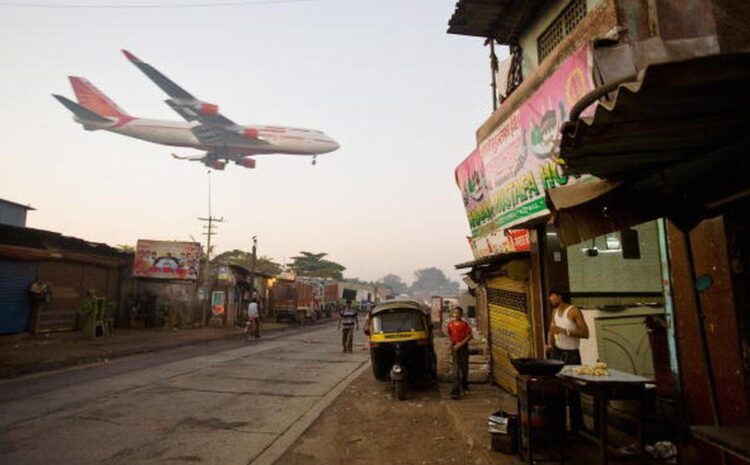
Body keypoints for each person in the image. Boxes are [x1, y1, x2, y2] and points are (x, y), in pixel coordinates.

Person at [546, 289, 589, 431]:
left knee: (573, 393)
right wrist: (549, 343)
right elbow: (551, 329)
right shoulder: (554, 312)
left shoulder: (573, 311)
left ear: (560, 296)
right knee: (557, 391)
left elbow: (585, 332)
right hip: (557, 354)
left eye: (552, 295)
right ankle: (560, 427)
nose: (550, 298)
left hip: (571, 356)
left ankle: (578, 427)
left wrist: (565, 331)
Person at [446, 306, 472, 399]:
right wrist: (451, 344)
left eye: (458, 313)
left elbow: (469, 337)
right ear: (452, 314)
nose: (456, 314)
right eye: (454, 313)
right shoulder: (450, 324)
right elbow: (449, 334)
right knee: (456, 370)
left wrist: (459, 345)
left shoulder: (464, 324)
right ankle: (455, 391)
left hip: (463, 348)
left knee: (464, 368)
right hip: (454, 348)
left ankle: (464, 384)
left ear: (461, 314)